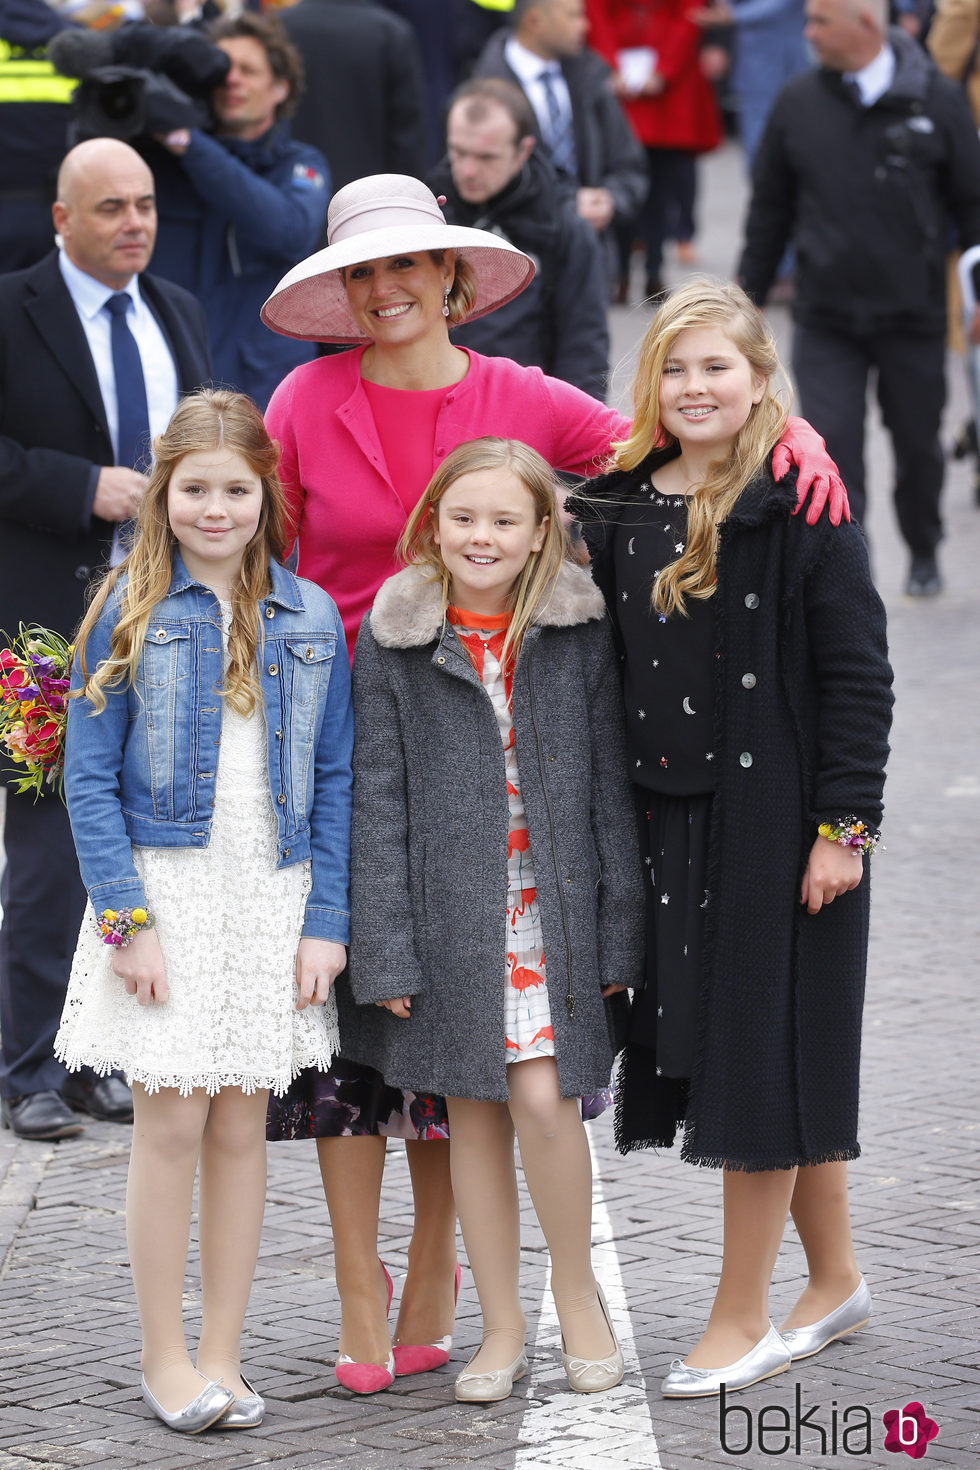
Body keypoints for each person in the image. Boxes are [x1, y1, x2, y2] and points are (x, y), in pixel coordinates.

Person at [259, 171, 846, 1394]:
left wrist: (783, 429)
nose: (384, 290)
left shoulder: (519, 398)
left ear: (451, 278)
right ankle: (395, 1295)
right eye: (361, 271)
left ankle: (507, 1295)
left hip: (519, 721)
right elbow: (263, 550)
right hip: (368, 720)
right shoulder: (304, 400)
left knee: (510, 1078)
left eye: (405, 266)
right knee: (380, 1055)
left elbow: (653, 449)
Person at [568, 277, 893, 1398]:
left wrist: (842, 831)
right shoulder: (611, 502)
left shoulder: (796, 504)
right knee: (764, 1054)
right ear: (648, 384)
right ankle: (834, 1279)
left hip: (776, 834)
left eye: (717, 365)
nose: (695, 385)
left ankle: (739, 1315)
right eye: (674, 366)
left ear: (760, 380)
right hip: (658, 828)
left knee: (760, 1063)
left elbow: (856, 677)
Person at [54, 389, 353, 1433]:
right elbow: (87, 782)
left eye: (236, 489)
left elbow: (336, 776)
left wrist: (328, 920)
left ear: (266, 494)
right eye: (195, 490)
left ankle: (223, 1352)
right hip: (169, 892)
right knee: (170, 1122)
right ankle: (163, 1357)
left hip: (270, 892)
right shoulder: (126, 611)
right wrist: (126, 922)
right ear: (163, 496)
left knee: (240, 1127)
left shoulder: (309, 617)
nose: (215, 510)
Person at [343, 436, 643, 1400]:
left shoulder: (578, 632)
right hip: (448, 919)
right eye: (462, 516)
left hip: (551, 911)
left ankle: (578, 1298)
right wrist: (383, 949)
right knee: (469, 1118)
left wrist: (618, 927)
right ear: (432, 522)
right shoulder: (392, 639)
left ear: (540, 532)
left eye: (505, 519)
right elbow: (376, 799)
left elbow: (609, 791)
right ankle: (502, 1329)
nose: (482, 536)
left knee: (549, 1108)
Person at [0, 138, 211, 1143]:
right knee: (48, 847)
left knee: (136, 840)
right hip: (40, 627)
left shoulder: (179, 311)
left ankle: (97, 1055)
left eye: (145, 206)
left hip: (161, 616)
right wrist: (76, 486)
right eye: (110, 208)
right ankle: (28, 1064)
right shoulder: (11, 312)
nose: (134, 223)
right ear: (61, 220)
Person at [737, 0, 980, 597]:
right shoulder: (798, 103)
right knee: (833, 444)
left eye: (820, 21)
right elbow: (770, 207)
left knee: (918, 443)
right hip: (827, 315)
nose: (808, 33)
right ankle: (849, 561)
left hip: (913, 314)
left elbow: (972, 201)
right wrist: (747, 298)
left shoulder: (936, 99)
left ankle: (923, 544)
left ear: (864, 25)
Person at [149, 11, 328, 411]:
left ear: (280, 87)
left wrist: (190, 144)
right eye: (222, 69)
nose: (231, 80)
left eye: (248, 70)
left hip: (263, 389)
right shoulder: (165, 159)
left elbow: (289, 232)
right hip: (178, 382)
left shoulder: (301, 164)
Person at [430, 76, 610, 398]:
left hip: (521, 417)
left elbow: (583, 350)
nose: (468, 170)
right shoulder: (426, 214)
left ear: (523, 151)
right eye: (458, 152)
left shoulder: (562, 229)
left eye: (486, 158)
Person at [472, 0, 648, 267]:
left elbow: (628, 163)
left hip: (587, 258)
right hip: (514, 259)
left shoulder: (591, 76)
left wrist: (610, 200)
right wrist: (566, 204)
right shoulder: (484, 88)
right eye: (573, 16)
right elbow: (480, 180)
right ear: (535, 21)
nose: (585, 25)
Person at [587, 0, 724, 300]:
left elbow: (689, 15)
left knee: (661, 190)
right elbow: (596, 13)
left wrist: (664, 69)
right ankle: (621, 273)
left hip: (665, 88)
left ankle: (652, 271)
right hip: (624, 81)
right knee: (620, 186)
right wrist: (610, 65)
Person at [280, 0, 429, 193]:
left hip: (291, 190)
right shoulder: (391, 33)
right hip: (367, 202)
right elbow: (408, 140)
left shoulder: (280, 27)